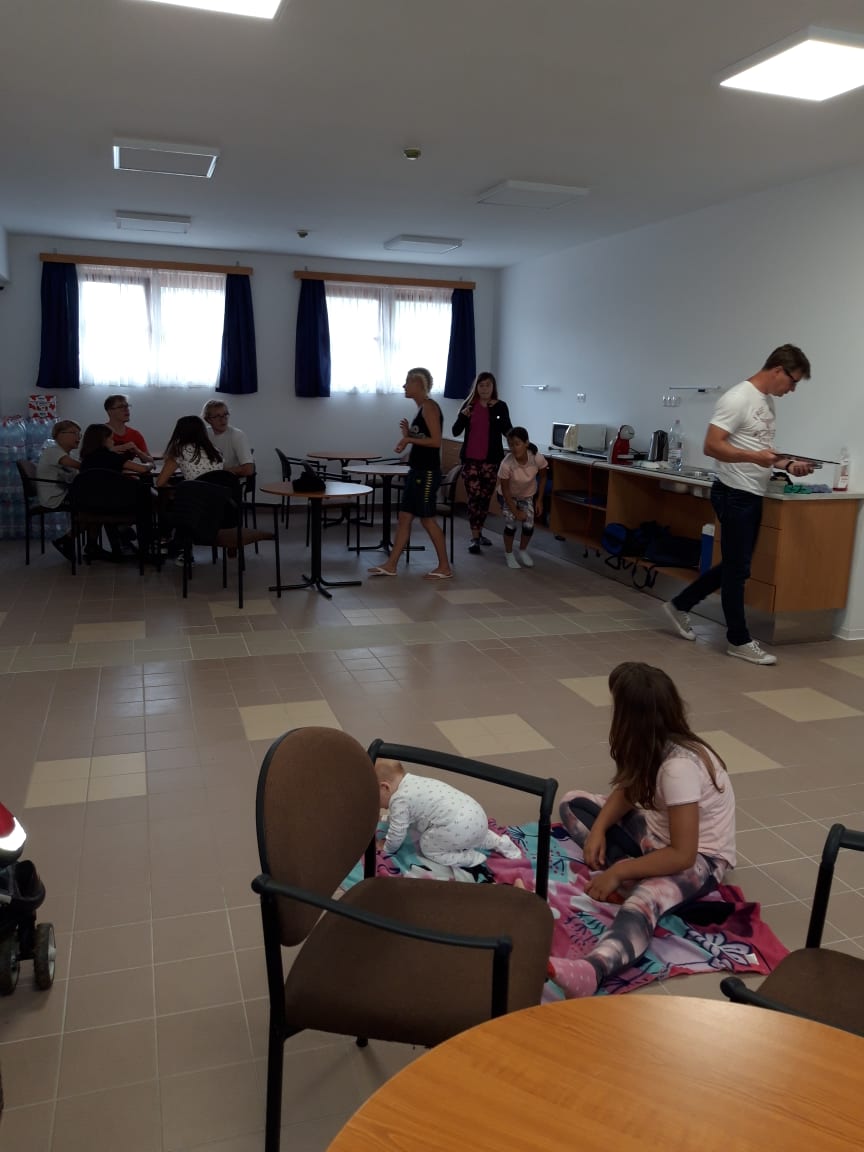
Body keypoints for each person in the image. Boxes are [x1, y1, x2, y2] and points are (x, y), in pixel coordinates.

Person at [551, 661, 736, 998]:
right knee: (573, 802)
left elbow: (683, 854)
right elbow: (628, 790)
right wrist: (599, 829)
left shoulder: (679, 768)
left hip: (700, 860)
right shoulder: (653, 745)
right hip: (658, 838)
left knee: (643, 901)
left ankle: (593, 969)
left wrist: (619, 871)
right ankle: (641, 873)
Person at [663, 344, 814, 665]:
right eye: (793, 381)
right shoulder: (737, 398)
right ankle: (738, 640)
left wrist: (789, 464)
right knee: (737, 570)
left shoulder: (766, 403)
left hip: (752, 493)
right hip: (734, 492)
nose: (792, 389)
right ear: (778, 370)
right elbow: (711, 446)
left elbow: (763, 452)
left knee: (735, 566)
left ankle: (680, 605)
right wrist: (753, 457)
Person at [368, 367, 454, 580]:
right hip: (417, 471)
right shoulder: (421, 408)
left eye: (408, 382)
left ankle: (444, 567)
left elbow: (436, 442)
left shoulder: (430, 407)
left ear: (419, 384)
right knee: (404, 517)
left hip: (427, 473)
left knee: (427, 519)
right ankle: (391, 565)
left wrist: (408, 439)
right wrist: (408, 437)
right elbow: (425, 439)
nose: (404, 386)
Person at [375, 758, 522, 876]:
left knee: (429, 847)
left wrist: (387, 847)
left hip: (458, 826)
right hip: (476, 814)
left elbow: (398, 831)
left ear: (385, 787)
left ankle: (470, 858)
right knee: (476, 835)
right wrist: (387, 818)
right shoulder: (413, 781)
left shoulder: (399, 799)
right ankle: (500, 843)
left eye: (374, 796)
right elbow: (406, 816)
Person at [451, 371, 512, 554]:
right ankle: (475, 537)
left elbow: (507, 430)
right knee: (474, 498)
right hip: (471, 461)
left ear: (493, 388)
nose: (484, 389)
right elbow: (455, 431)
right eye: (481, 385)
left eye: (488, 385)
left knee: (484, 499)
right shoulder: (469, 405)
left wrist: (496, 413)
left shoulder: (500, 406)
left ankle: (479, 532)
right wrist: (463, 416)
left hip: (491, 462)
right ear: (476, 387)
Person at [75, 424, 154, 560]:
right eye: (111, 439)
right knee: (148, 499)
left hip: (90, 504)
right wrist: (150, 464)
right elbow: (142, 469)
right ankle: (145, 549)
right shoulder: (111, 457)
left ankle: (118, 536)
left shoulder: (86, 459)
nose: (113, 442)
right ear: (103, 440)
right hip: (115, 505)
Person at [496, 427, 547, 569]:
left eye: (517, 444)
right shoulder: (506, 464)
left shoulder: (537, 458)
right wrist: (516, 511)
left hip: (527, 495)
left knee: (529, 525)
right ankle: (509, 553)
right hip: (508, 496)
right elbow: (505, 490)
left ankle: (523, 550)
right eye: (510, 444)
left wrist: (539, 500)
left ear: (526, 443)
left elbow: (543, 477)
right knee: (511, 524)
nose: (514, 448)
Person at [36, 420, 81, 562]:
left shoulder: (67, 454)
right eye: (74, 433)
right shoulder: (53, 451)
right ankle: (67, 539)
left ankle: (78, 541)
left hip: (63, 493)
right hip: (54, 497)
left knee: (95, 502)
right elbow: (79, 466)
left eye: (79, 434)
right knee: (93, 506)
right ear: (59, 435)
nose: (78, 437)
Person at [156, 416, 226, 486]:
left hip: (195, 492)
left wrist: (175, 490)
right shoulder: (215, 451)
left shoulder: (179, 451)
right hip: (220, 492)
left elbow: (160, 483)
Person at [201, 400, 254, 478]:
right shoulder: (204, 434)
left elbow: (248, 469)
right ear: (208, 419)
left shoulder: (237, 435)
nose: (223, 419)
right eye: (217, 416)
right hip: (209, 479)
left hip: (231, 480)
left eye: (225, 414)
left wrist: (220, 473)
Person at [103, 395, 153, 464]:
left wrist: (137, 451)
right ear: (109, 411)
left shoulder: (135, 434)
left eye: (127, 406)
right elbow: (90, 458)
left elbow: (151, 462)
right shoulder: (98, 432)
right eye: (121, 407)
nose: (126, 409)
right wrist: (112, 450)